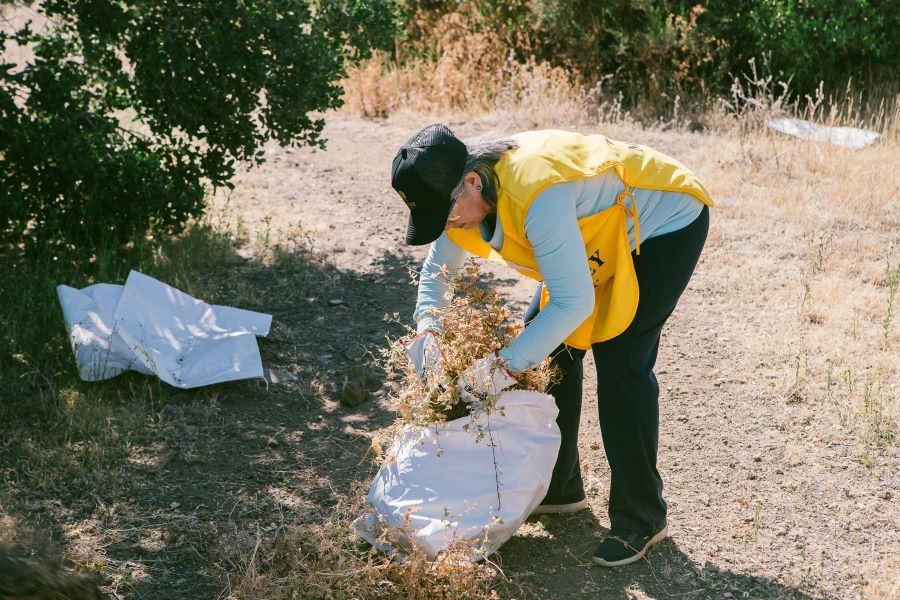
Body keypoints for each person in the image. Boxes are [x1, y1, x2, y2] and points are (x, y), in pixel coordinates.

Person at [391, 123, 712, 567]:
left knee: (621, 357)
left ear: (471, 182)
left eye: (445, 214)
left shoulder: (534, 194)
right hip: (600, 231)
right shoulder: (460, 191)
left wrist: (503, 366)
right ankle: (562, 488)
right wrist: (428, 330)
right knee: (551, 345)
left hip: (663, 220)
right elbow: (436, 274)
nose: (447, 224)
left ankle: (642, 517)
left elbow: (573, 302)